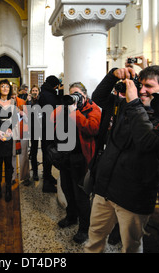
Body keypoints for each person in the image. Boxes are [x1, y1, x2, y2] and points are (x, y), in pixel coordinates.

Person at [85, 65, 159, 253]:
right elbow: (98, 98)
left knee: (131, 247)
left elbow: (146, 142)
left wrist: (134, 104)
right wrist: (112, 74)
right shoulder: (127, 105)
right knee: (94, 239)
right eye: (140, 85)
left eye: (149, 86)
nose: (142, 90)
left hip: (134, 197)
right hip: (105, 189)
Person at [52, 82, 101, 244]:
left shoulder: (93, 109)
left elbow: (93, 128)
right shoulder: (66, 107)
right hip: (66, 155)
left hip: (81, 157)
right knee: (67, 188)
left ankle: (84, 228)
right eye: (71, 93)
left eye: (77, 94)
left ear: (84, 95)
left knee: (81, 195)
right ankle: (71, 217)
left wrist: (74, 113)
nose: (73, 97)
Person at [0, 79, 19, 202]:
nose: (5, 88)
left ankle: (7, 188)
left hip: (8, 136)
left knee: (9, 165)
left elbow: (15, 119)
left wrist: (10, 130)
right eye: (2, 86)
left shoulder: (13, 102)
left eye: (7, 86)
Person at [38, 75, 63, 193]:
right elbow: (55, 107)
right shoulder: (48, 94)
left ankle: (48, 176)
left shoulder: (45, 92)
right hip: (48, 128)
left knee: (47, 152)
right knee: (49, 153)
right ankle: (47, 183)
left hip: (45, 128)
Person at [26, 85, 41, 183]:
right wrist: (29, 101)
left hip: (42, 127)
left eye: (36, 90)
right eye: (33, 90)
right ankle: (35, 172)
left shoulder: (42, 100)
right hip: (33, 129)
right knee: (34, 151)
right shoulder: (29, 101)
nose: (35, 92)